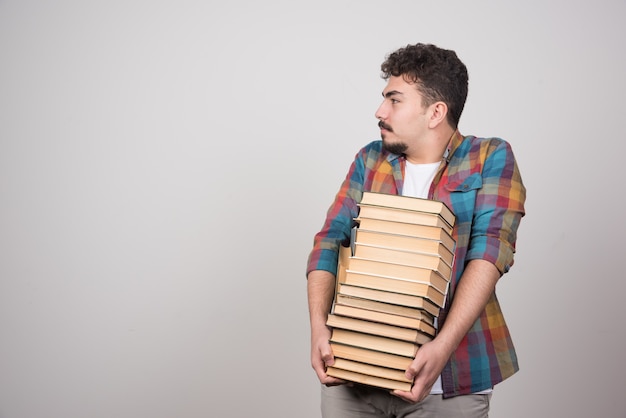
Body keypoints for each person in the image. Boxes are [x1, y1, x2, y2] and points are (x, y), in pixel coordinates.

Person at [306, 43, 526, 418]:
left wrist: (441, 348)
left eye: (394, 100)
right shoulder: (370, 158)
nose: (380, 112)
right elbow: (328, 241)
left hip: (451, 384)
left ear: (435, 112)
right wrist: (317, 329)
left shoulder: (489, 157)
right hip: (354, 374)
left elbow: (490, 253)